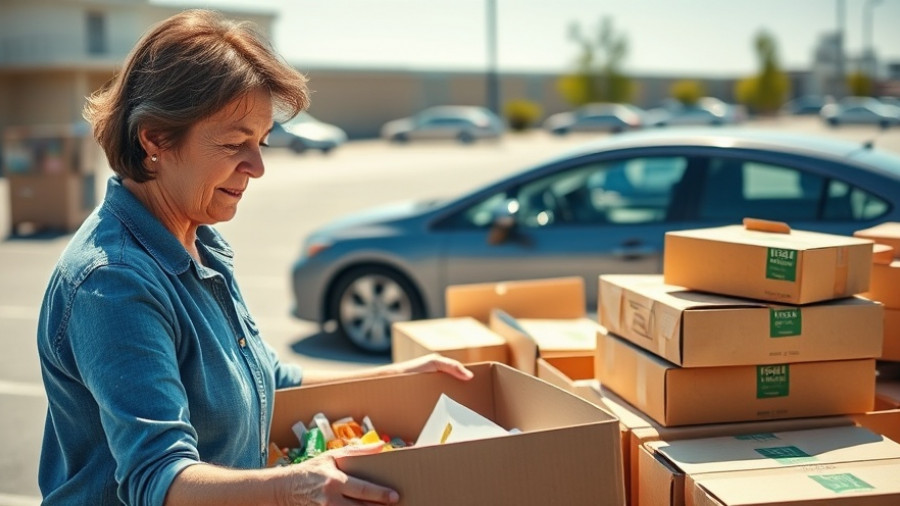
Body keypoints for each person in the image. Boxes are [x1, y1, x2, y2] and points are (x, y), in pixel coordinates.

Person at [36, 9, 473, 506]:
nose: (258, 166)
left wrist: (394, 376)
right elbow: (157, 478)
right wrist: (295, 487)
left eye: (261, 142)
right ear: (155, 138)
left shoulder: (199, 239)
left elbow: (264, 376)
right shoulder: (112, 282)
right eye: (234, 143)